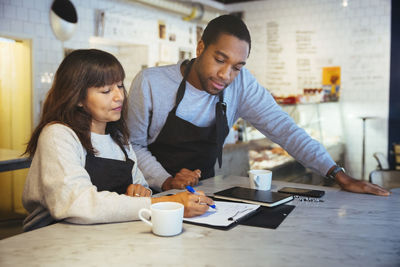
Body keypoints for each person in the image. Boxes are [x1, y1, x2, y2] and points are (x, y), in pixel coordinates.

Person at [127, 15, 390, 196]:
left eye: (237, 67)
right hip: (150, 196)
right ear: (200, 47)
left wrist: (337, 174)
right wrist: (167, 181)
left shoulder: (241, 85)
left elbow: (285, 130)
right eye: (220, 59)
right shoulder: (150, 84)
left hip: (203, 194)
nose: (226, 75)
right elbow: (132, 146)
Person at [22, 49, 213, 231]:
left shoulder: (119, 139)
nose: (119, 96)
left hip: (103, 233)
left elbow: (142, 188)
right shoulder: (59, 135)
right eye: (106, 91)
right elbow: (78, 204)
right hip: (52, 237)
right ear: (78, 98)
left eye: (120, 86)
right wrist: (169, 202)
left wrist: (139, 192)